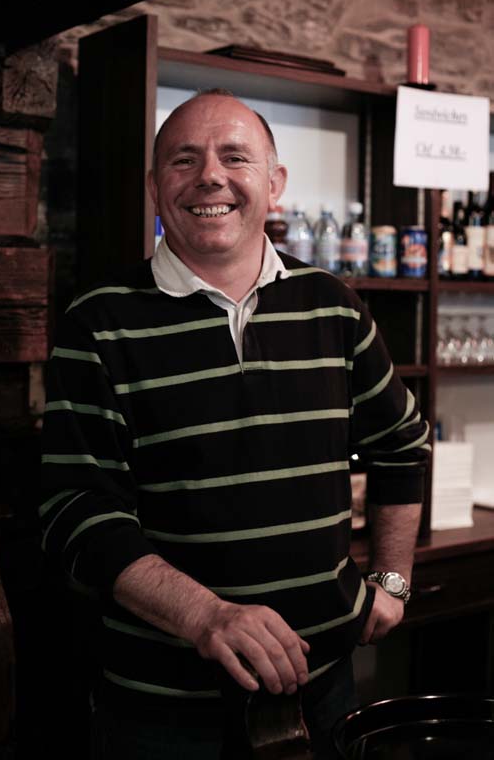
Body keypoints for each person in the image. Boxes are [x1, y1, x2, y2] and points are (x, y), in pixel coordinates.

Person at [40, 89, 429, 759]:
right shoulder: (98, 322)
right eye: (183, 160)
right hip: (161, 709)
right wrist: (206, 616)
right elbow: (75, 509)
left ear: (274, 185)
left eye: (235, 157)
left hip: (322, 686)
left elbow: (401, 447)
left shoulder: (333, 306)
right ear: (155, 187)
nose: (210, 177)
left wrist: (391, 581)